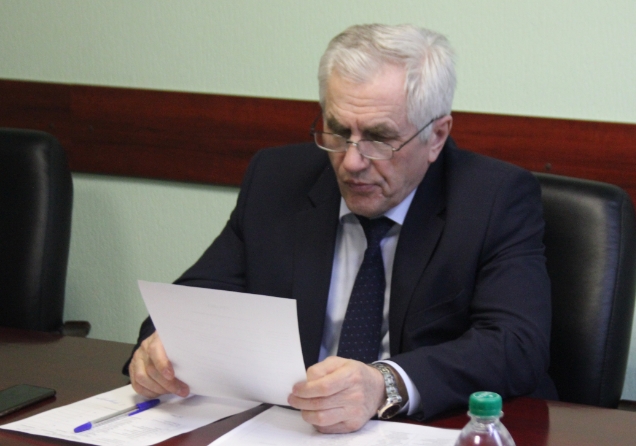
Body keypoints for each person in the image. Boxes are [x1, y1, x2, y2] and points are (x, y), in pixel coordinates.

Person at [123, 23, 556, 434]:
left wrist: (384, 384)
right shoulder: (277, 179)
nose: (351, 162)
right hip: (289, 430)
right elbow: (197, 298)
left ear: (437, 136)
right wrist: (163, 348)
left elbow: (516, 344)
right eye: (336, 130)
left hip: (428, 431)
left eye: (379, 138)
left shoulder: (493, 198)